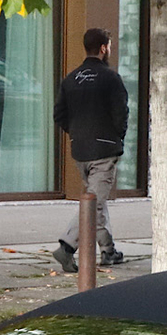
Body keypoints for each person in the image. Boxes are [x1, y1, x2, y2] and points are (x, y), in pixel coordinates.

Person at [53, 27, 130, 272]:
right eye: (110, 46)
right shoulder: (110, 78)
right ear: (104, 48)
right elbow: (121, 113)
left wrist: (76, 133)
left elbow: (59, 115)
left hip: (81, 150)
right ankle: (67, 247)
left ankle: (108, 250)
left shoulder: (71, 79)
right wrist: (117, 136)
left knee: (96, 200)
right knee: (94, 203)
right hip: (104, 149)